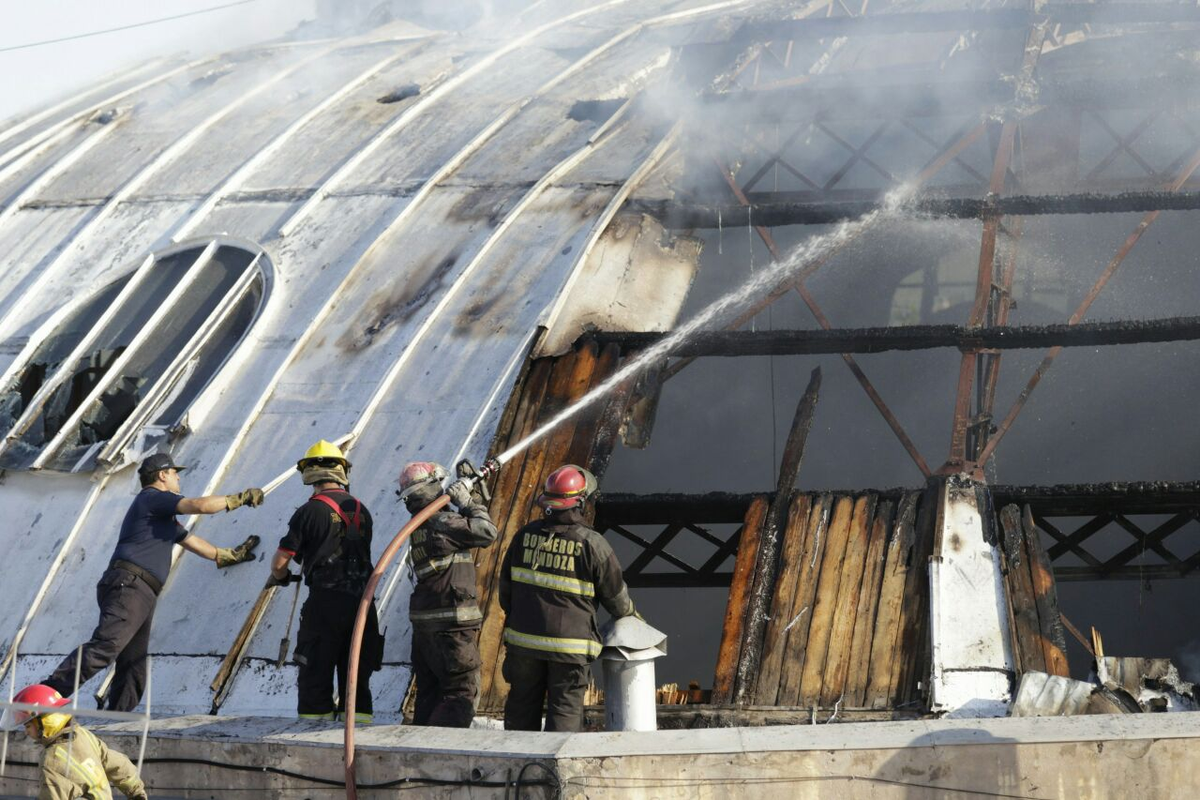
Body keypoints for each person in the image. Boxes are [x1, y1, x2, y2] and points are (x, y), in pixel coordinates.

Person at [46, 453, 262, 712]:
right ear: (162, 475)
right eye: (174, 472)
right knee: (107, 645)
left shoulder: (161, 518)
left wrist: (227, 555)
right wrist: (239, 499)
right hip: (130, 585)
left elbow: (193, 543)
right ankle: (46, 693)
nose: (178, 476)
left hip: (141, 590)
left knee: (133, 661)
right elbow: (200, 505)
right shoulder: (153, 498)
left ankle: (117, 720)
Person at [499, 464, 635, 732]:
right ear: (580, 503)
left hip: (524, 646)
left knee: (520, 709)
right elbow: (616, 599)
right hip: (569, 650)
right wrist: (632, 616)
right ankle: (552, 773)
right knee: (564, 713)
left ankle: (515, 770)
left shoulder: (523, 537)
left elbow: (506, 594)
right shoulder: (592, 544)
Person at [269, 440, 381, 723]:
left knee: (315, 673)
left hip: (325, 606)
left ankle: (313, 736)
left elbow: (281, 561)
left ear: (309, 472)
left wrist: (280, 578)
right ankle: (357, 736)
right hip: (363, 605)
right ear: (341, 470)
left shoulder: (309, 512)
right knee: (356, 675)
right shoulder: (362, 510)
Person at [398, 462, 497, 727]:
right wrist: (468, 502)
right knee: (460, 692)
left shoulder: (420, 524)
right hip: (451, 624)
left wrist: (470, 495)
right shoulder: (441, 521)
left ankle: (417, 753)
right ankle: (444, 755)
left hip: (426, 624)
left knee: (430, 694)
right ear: (432, 485)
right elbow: (487, 532)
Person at [0, 683, 147, 800]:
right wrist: (137, 793)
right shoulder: (82, 735)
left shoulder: (52, 760)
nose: (26, 731)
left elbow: (53, 796)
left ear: (44, 721)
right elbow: (119, 764)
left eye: (28, 725)